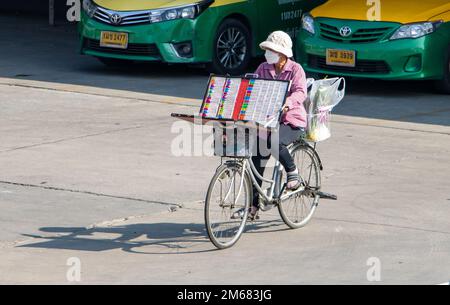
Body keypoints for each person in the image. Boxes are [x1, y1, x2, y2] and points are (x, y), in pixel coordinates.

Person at [250, 31, 308, 219]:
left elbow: (301, 92)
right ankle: (253, 206)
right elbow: (255, 88)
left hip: (291, 120)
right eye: (267, 49)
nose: (268, 53)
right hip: (267, 120)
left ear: (282, 53)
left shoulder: (296, 69)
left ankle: (293, 173)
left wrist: (288, 103)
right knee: (255, 159)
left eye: (271, 50)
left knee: (275, 141)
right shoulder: (263, 68)